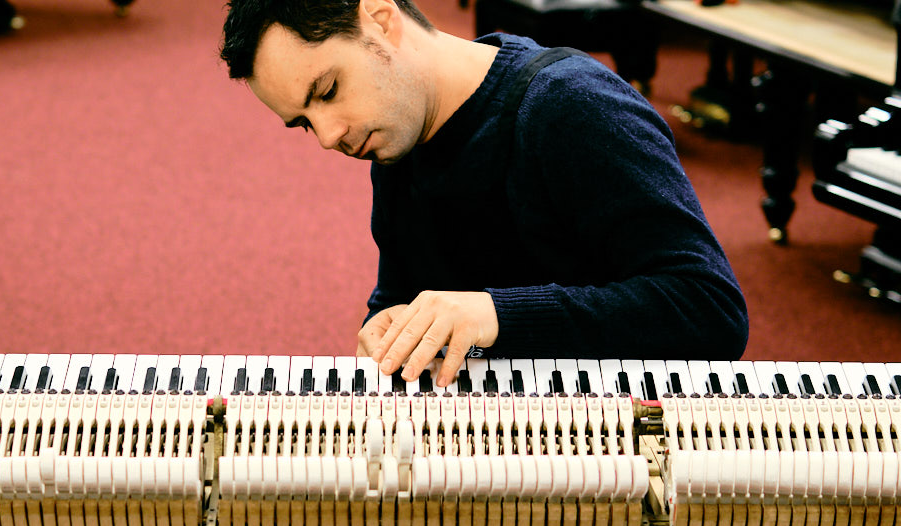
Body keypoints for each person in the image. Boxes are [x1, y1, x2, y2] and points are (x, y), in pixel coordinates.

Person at [220, 0, 749, 389]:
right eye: (304, 123)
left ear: (380, 20)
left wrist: (497, 316)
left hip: (612, 457)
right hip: (496, 447)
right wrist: (388, 328)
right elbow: (406, 292)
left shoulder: (569, 105)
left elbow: (711, 312)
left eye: (328, 90)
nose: (329, 135)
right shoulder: (395, 137)